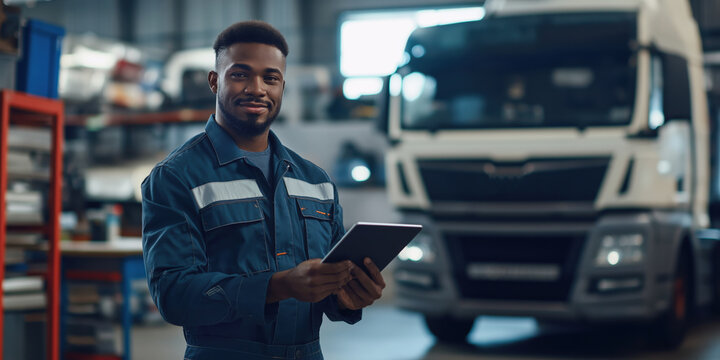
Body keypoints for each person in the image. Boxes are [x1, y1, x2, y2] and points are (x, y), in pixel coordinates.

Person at [141, 21, 386, 360]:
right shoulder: (177, 177)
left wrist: (350, 296)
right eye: (240, 74)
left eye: (270, 78)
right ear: (215, 81)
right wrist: (279, 286)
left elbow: (331, 287)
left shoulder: (316, 181)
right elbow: (173, 295)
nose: (257, 88)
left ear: (282, 86)